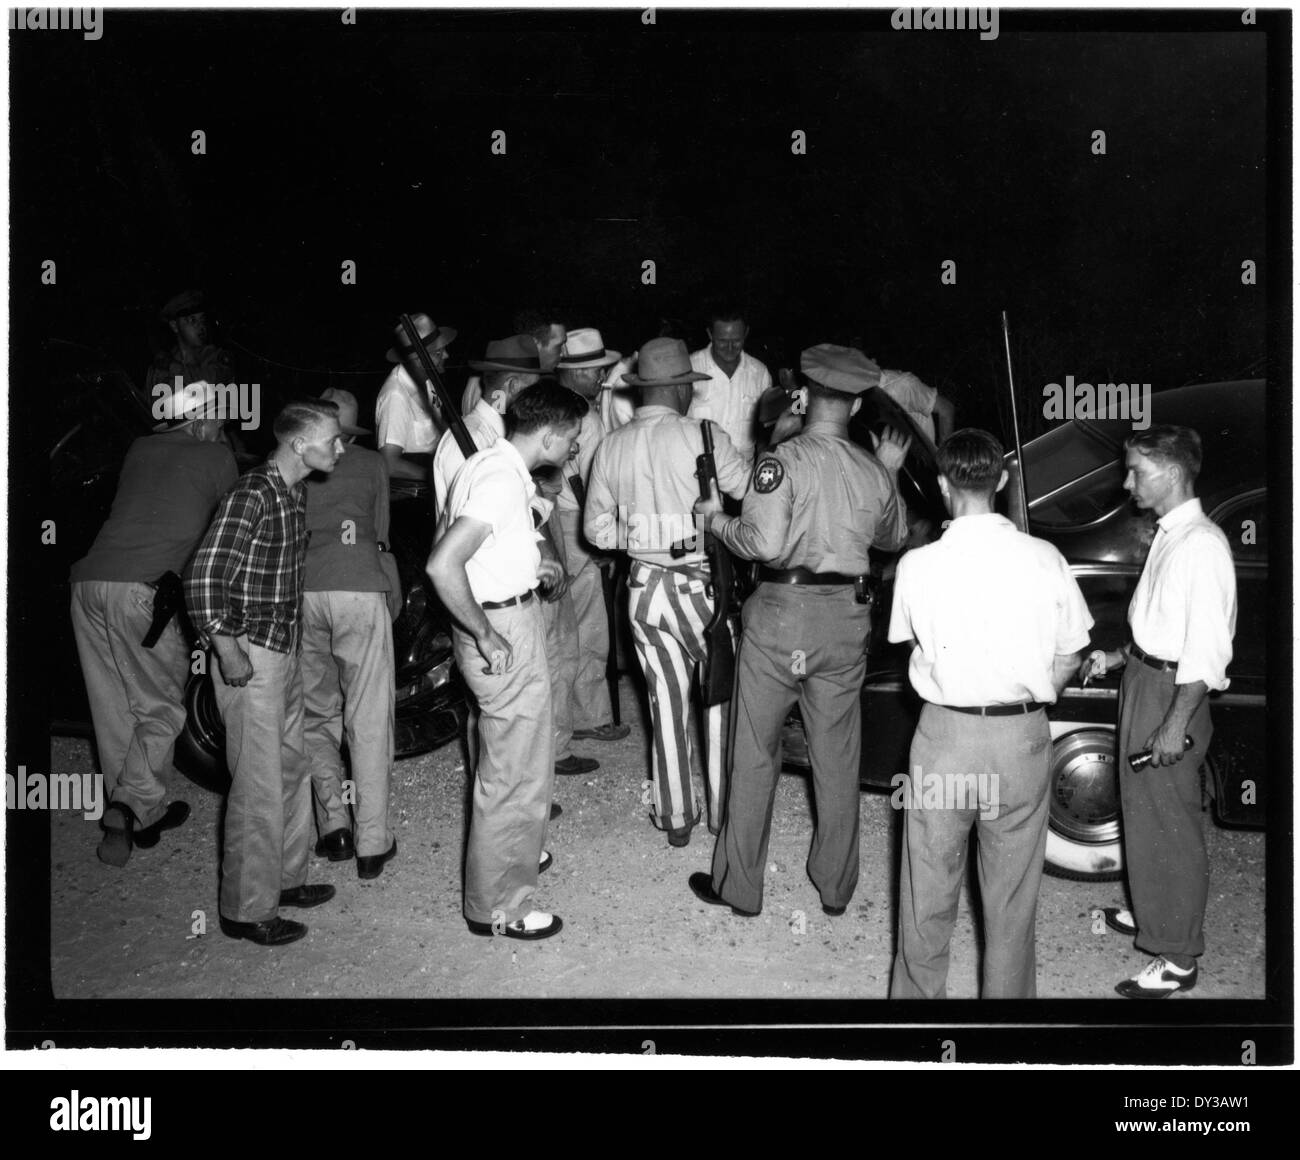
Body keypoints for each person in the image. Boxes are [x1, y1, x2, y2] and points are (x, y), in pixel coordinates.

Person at [687, 344, 910, 917]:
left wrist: (714, 520)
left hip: (783, 616)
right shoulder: (872, 468)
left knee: (755, 749)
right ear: (857, 406)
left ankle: (740, 887)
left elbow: (762, 543)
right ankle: (835, 888)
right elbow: (893, 538)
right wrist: (883, 470)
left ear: (804, 396)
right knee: (838, 754)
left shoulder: (780, 461)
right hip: (846, 619)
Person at [887, 428, 1093, 998]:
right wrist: (1032, 694)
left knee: (927, 890)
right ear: (1001, 480)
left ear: (941, 483)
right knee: (1011, 901)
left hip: (945, 739)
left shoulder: (917, 566)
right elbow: (1070, 654)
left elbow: (910, 643)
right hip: (1021, 737)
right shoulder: (1045, 557)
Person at [427, 380, 588, 940]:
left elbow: (477, 547)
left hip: (504, 613)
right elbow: (443, 565)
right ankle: (501, 907)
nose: (575, 447)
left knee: (506, 759)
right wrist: (485, 632)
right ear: (549, 434)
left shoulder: (491, 464)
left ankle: (514, 855)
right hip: (501, 628)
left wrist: (527, 567)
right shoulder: (498, 477)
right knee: (514, 774)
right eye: (572, 437)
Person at [1080, 425, 1237, 998]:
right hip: (1147, 680)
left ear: (1171, 472)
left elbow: (1207, 649)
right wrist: (1117, 655)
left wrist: (1174, 722)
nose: (1127, 483)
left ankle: (1177, 957)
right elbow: (1163, 625)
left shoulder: (1202, 544)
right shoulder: (1171, 534)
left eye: (1136, 472)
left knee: (1170, 825)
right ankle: (1154, 918)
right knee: (1143, 814)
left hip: (1174, 695)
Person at [185, 398, 347, 946]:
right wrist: (227, 651)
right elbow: (203, 577)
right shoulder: (254, 491)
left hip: (283, 651)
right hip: (251, 655)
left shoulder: (293, 492)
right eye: (333, 439)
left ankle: (285, 879)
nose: (340, 448)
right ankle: (246, 910)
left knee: (290, 766)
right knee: (256, 783)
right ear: (300, 443)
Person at [585, 338, 750, 847]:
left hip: (642, 588)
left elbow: (594, 530)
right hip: (703, 588)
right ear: (680, 389)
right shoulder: (705, 435)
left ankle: (676, 817)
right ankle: (723, 814)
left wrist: (639, 539)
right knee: (721, 700)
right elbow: (747, 492)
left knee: (664, 701)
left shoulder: (610, 446)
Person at [71, 380, 238, 866]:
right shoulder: (216, 456)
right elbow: (225, 531)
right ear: (203, 421)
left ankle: (142, 813)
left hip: (88, 584)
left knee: (113, 704)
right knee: (162, 707)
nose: (224, 431)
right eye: (221, 422)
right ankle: (128, 806)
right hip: (143, 593)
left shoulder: (141, 448)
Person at [434, 336, 597, 778]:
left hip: (509, 596)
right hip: (489, 608)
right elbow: (452, 551)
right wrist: (485, 632)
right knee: (498, 730)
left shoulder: (501, 449)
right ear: (512, 386)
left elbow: (501, 531)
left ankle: (519, 812)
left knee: (512, 727)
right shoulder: (468, 442)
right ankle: (502, 805)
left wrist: (533, 556)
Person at [301, 389, 399, 879]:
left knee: (316, 713)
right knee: (368, 712)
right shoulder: (370, 463)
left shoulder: (297, 462)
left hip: (304, 590)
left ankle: (333, 827)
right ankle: (372, 842)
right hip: (360, 586)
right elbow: (381, 535)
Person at [554, 327, 629, 742]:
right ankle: (587, 716)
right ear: (570, 371)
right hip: (577, 521)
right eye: (593, 371)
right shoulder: (587, 417)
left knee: (566, 622)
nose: (601, 377)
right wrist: (599, 537)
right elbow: (591, 486)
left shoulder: (552, 406)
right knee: (588, 624)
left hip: (553, 521)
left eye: (602, 369)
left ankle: (571, 714)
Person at [376, 313, 456, 482]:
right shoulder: (396, 396)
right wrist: (438, 479)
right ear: (419, 360)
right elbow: (388, 464)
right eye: (439, 352)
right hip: (412, 495)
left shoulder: (428, 381)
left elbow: (438, 424)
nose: (447, 356)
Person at [687, 305, 772, 462]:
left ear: (746, 333)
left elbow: (764, 430)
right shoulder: (690, 368)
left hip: (743, 473)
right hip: (698, 471)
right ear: (710, 334)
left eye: (737, 340)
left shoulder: (760, 373)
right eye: (723, 341)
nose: (730, 348)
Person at [143, 289, 235, 400]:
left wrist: (172, 366)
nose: (201, 326)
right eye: (192, 320)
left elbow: (208, 381)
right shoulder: (161, 366)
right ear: (174, 326)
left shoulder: (217, 357)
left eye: (202, 320)